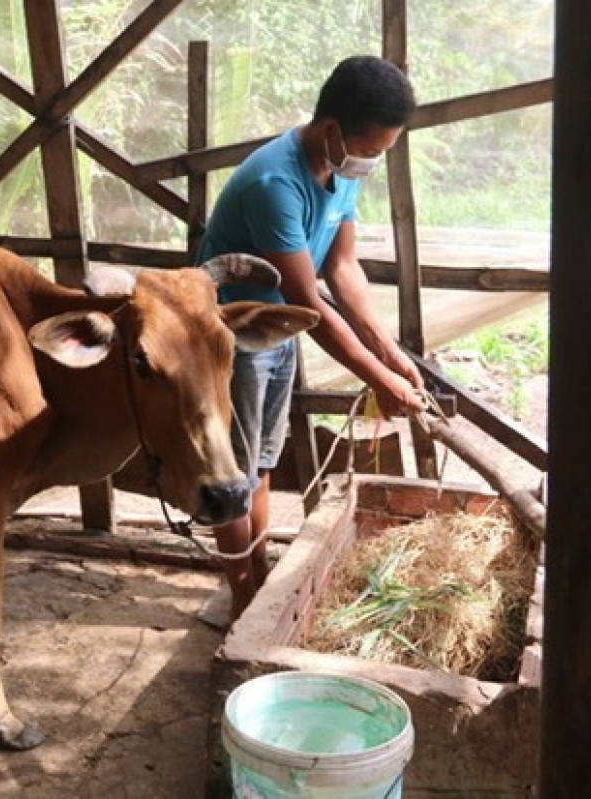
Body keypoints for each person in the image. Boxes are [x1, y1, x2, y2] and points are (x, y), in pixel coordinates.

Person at [197, 55, 427, 621]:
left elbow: (343, 269)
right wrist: (379, 378)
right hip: (236, 334)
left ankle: (249, 579)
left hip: (277, 330)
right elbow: (309, 304)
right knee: (236, 472)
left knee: (263, 462)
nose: (372, 162)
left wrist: (390, 351)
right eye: (370, 150)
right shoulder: (275, 182)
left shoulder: (336, 168)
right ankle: (246, 601)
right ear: (332, 131)